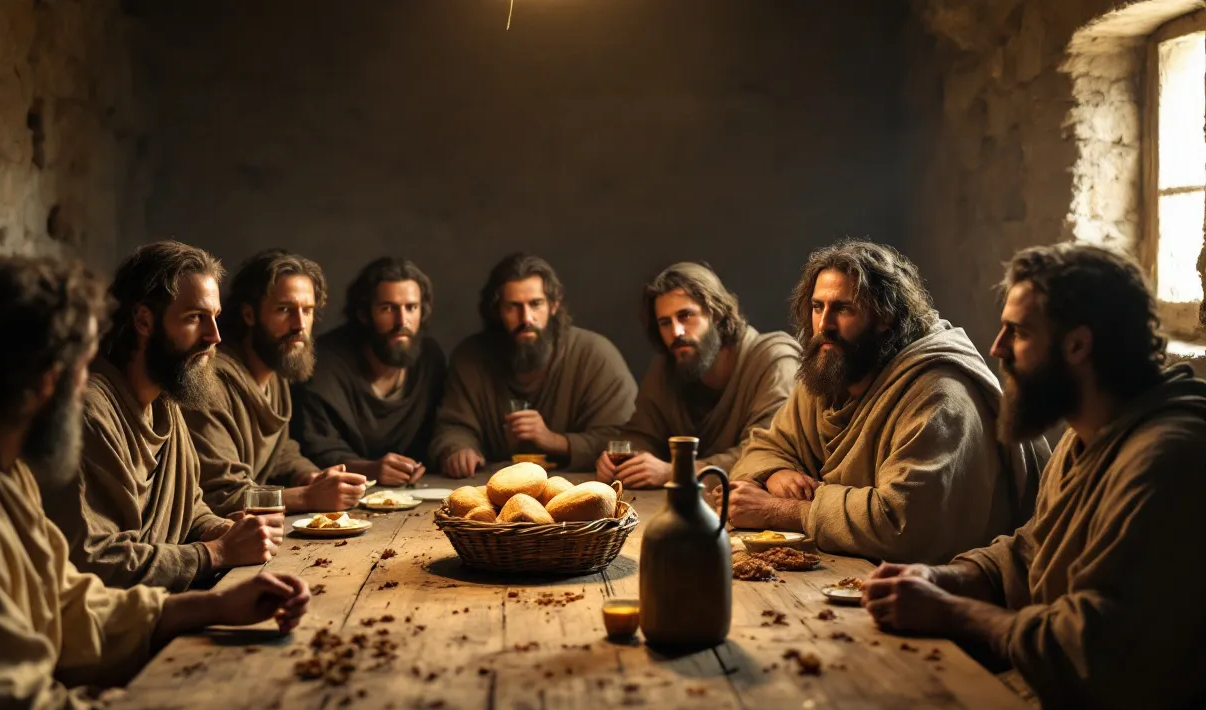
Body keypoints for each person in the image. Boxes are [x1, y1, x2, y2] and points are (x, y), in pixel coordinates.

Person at [0, 256, 310, 710]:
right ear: (46, 380)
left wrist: (210, 607)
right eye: (81, 368)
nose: (87, 384)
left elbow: (66, 601)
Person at [863, 243, 1206, 710]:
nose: (997, 347)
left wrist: (953, 614)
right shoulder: (1082, 436)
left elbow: (1093, 651)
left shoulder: (1167, 459)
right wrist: (942, 578)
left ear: (1078, 346)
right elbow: (1031, 550)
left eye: (1018, 333)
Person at [725, 239, 1047, 564]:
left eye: (843, 308)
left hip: (946, 591)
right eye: (817, 307)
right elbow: (761, 448)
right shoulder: (832, 372)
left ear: (885, 316)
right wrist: (777, 473)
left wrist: (782, 511)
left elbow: (903, 525)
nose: (824, 325)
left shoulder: (940, 394)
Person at [47, 240, 280, 592]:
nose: (214, 336)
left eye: (215, 318)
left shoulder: (165, 401)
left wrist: (218, 528)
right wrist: (214, 553)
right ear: (143, 320)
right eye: (195, 318)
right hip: (115, 626)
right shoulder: (90, 413)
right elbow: (92, 561)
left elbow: (188, 508)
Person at [184, 249, 367, 514]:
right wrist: (308, 497)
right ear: (249, 314)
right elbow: (219, 496)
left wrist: (313, 478)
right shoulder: (212, 383)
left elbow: (280, 453)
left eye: (307, 311)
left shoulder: (275, 374)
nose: (299, 325)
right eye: (285, 310)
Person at [430, 252, 637, 477]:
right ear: (497, 310)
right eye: (512, 306)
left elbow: (622, 439)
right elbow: (452, 426)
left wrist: (553, 440)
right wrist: (459, 450)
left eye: (536, 304)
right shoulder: (470, 357)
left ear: (554, 304)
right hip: (492, 487)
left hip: (577, 490)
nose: (526, 318)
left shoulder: (595, 355)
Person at [597, 262, 800, 488]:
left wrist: (676, 471)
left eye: (685, 316)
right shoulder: (668, 366)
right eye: (665, 323)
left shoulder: (774, 359)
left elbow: (768, 453)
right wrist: (622, 462)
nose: (676, 332)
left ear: (715, 314)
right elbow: (642, 434)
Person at [293, 257, 446, 486]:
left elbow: (440, 430)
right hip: (338, 496)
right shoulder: (324, 362)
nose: (401, 321)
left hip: (417, 495)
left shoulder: (429, 359)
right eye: (388, 308)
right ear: (364, 314)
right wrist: (370, 470)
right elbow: (314, 447)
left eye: (411, 308)